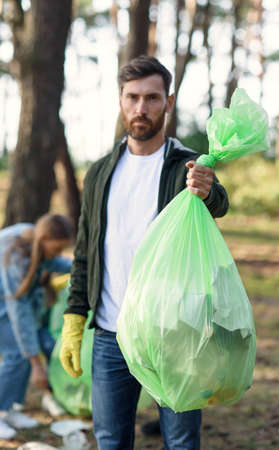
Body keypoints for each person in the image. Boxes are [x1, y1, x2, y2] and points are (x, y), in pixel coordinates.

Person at [60, 55, 229, 450]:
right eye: (132, 97)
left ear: (168, 102)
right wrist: (74, 315)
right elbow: (86, 249)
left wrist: (208, 191)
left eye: (152, 98)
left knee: (182, 442)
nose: (141, 108)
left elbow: (218, 204)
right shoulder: (100, 172)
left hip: (173, 332)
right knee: (110, 440)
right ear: (120, 101)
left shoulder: (187, 164)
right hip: (110, 333)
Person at [0, 213, 73, 439]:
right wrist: (36, 363)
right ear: (43, 239)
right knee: (17, 355)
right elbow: (18, 311)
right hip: (7, 305)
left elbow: (54, 261)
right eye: (57, 247)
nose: (59, 252)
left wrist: (83, 265)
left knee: (22, 353)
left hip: (10, 302)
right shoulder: (14, 255)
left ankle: (9, 407)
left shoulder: (33, 235)